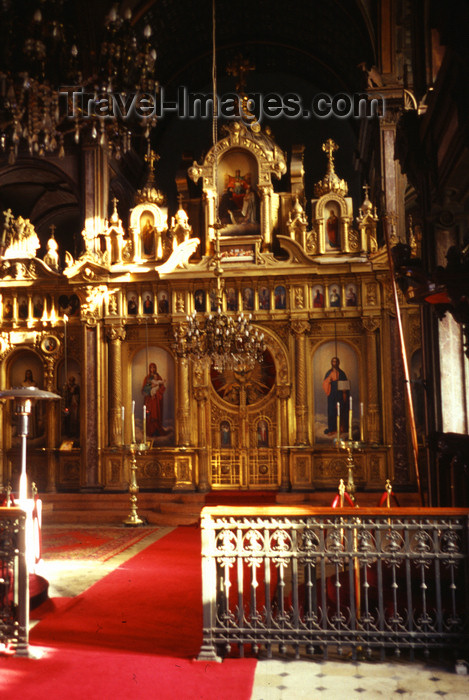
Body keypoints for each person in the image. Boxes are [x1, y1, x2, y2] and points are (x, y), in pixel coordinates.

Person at [322, 356, 349, 435]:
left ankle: (341, 428)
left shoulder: (342, 373)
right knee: (332, 411)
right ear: (331, 363)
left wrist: (344, 392)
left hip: (340, 394)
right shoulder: (328, 373)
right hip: (332, 395)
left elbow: (345, 384)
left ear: (338, 363)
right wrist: (328, 381)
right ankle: (332, 429)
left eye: (336, 361)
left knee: (341, 410)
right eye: (333, 361)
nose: (334, 363)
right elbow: (324, 383)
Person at [142, 362, 167, 436]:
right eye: (151, 368)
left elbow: (162, 387)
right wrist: (151, 387)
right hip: (150, 399)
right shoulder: (147, 378)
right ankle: (150, 431)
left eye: (154, 367)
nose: (152, 369)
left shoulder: (158, 377)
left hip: (157, 400)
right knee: (150, 414)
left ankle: (157, 429)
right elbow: (144, 389)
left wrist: (158, 393)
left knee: (157, 414)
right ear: (149, 369)